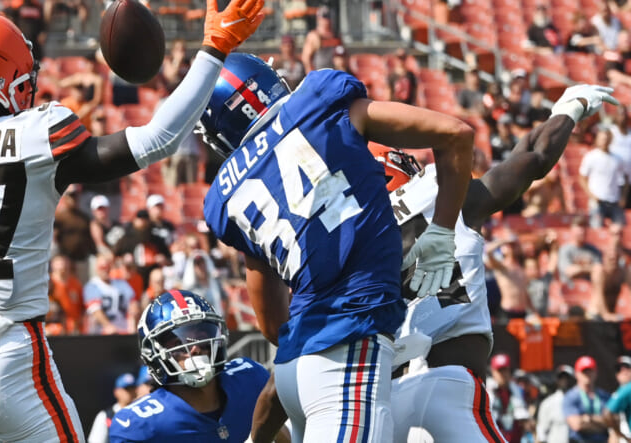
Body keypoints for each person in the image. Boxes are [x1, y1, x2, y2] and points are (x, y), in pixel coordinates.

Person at [0, 0, 265, 440]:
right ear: (8, 81)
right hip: (7, 358)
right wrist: (214, 49)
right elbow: (158, 139)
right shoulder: (36, 136)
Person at [198, 52, 475, 442]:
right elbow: (455, 133)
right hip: (349, 351)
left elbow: (273, 323)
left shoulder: (224, 196)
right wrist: (442, 230)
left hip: (292, 371)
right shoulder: (317, 99)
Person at [371, 84, 617, 442]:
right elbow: (532, 161)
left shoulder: (361, 235)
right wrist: (571, 110)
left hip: (389, 399)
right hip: (447, 384)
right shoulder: (439, 194)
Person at [109, 290, 280, 443]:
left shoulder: (249, 378)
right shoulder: (138, 425)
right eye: (178, 342)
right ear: (153, 352)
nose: (195, 348)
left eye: (202, 336)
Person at [579, 128, 629, 228]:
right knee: (596, 229)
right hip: (598, 201)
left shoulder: (617, 159)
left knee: (620, 229)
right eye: (602, 139)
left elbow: (626, 176)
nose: (604, 142)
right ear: (597, 140)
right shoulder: (591, 157)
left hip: (614, 200)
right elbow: (582, 178)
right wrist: (592, 196)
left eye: (606, 139)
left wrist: (623, 196)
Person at [563, 355, 612, 443]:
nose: (587, 374)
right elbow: (577, 425)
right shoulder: (571, 396)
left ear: (596, 372)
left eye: (590, 371)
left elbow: (612, 422)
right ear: (576, 373)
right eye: (584, 371)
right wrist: (601, 423)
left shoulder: (604, 396)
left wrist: (589, 419)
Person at [87, 372, 138, 443]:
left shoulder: (141, 412)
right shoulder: (106, 416)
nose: (130, 393)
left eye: (132, 389)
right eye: (126, 389)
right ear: (116, 392)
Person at [537, 365, 576, 443]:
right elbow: (541, 432)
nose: (564, 381)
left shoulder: (581, 400)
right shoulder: (548, 403)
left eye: (567, 378)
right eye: (561, 378)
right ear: (557, 380)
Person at [606, 355, 631, 441]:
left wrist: (623, 436)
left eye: (627, 367)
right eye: (619, 369)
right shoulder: (618, 394)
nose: (623, 372)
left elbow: (607, 413)